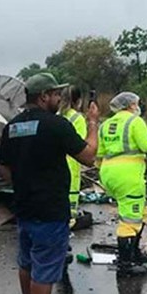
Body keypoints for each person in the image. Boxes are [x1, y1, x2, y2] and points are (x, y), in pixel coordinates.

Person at [0, 73, 99, 294]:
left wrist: (24, 182)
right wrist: (93, 124)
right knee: (45, 264)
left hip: (24, 206)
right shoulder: (56, 124)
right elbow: (88, 156)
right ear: (43, 97)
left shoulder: (12, 126)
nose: (58, 99)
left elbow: (3, 168)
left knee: (27, 260)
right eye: (55, 94)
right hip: (50, 208)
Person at [97, 92, 147, 276]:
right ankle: (126, 264)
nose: (137, 106)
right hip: (129, 177)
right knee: (129, 220)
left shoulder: (105, 124)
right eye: (136, 103)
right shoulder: (135, 122)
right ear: (130, 105)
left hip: (109, 174)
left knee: (140, 212)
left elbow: (100, 152)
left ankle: (135, 253)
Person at [59, 86, 86, 228]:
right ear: (78, 101)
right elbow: (80, 145)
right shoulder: (77, 118)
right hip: (71, 164)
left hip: (55, 162)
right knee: (70, 204)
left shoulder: (56, 115)